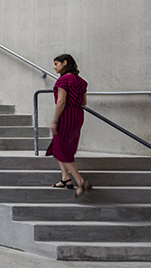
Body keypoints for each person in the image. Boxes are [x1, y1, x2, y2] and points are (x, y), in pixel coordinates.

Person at [46, 53, 92, 196]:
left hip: (66, 115)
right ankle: (66, 179)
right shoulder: (81, 81)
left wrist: (54, 120)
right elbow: (84, 102)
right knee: (58, 146)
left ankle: (81, 182)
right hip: (77, 115)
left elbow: (61, 102)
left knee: (63, 150)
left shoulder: (63, 80)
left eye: (56, 64)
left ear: (64, 63)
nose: (54, 67)